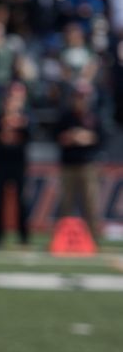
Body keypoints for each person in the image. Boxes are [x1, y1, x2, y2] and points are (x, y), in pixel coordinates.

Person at [54, 78, 105, 244]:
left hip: (87, 165)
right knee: (66, 204)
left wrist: (87, 137)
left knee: (90, 204)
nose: (81, 100)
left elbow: (102, 139)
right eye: (78, 96)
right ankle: (62, 238)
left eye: (84, 96)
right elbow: (55, 136)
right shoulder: (66, 116)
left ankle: (92, 238)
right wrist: (70, 137)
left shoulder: (94, 117)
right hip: (68, 165)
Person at [0, 80, 31, 247]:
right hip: (2, 163)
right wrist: (5, 123)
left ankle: (24, 236)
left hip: (19, 163)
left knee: (21, 200)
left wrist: (19, 124)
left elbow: (30, 136)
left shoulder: (26, 117)